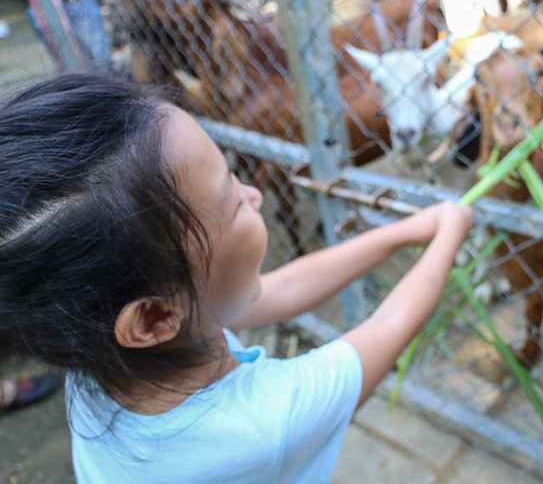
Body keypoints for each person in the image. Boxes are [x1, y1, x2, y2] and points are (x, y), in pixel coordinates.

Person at [0, 74, 473, 483]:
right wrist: (449, 231)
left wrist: (405, 232)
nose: (254, 196)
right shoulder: (264, 424)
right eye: (231, 197)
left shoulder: (97, 349)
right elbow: (391, 325)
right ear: (152, 317)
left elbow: (282, 289)